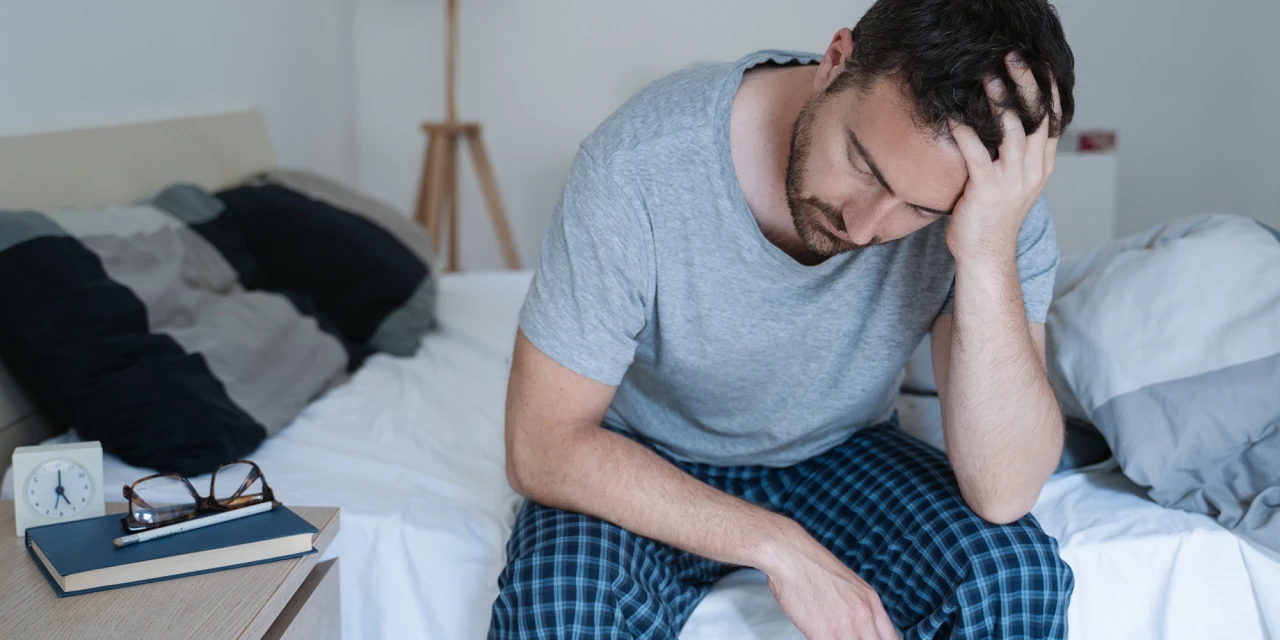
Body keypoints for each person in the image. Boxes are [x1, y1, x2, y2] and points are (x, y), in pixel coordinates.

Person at [490, 0, 1077, 637]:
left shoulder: (992, 209)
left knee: (1012, 581)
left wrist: (987, 251)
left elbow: (1004, 491)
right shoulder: (637, 166)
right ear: (834, 62)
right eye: (862, 163)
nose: (864, 226)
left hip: (840, 446)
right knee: (561, 606)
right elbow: (539, 447)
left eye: (919, 209)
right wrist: (777, 545)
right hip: (643, 452)